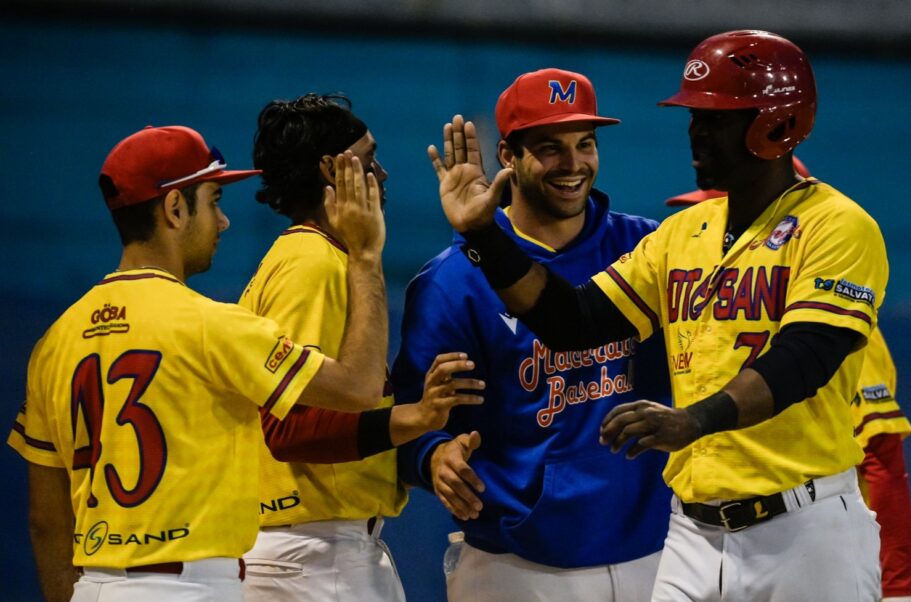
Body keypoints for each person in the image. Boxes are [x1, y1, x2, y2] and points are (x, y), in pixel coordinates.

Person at [429, 30, 887, 601]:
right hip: (692, 534)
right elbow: (574, 322)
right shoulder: (682, 233)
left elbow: (806, 356)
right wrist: (483, 237)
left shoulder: (837, 225)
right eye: (694, 117)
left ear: (776, 123)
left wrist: (693, 420)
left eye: (715, 120)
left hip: (804, 530)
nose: (695, 134)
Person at [7, 124, 390, 602]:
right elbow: (358, 388)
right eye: (213, 200)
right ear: (174, 209)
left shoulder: (54, 341)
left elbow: (45, 521)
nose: (223, 221)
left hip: (95, 587)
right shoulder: (212, 325)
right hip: (191, 588)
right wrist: (366, 254)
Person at [393, 68, 672, 602]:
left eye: (585, 144)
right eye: (549, 147)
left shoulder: (649, 247)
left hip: (656, 552)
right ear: (507, 156)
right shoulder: (453, 281)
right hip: (518, 567)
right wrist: (431, 457)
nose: (573, 165)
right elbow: (404, 421)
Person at [239, 93, 484, 602]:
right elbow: (291, 430)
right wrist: (417, 418)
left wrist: (431, 454)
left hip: (319, 551)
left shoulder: (309, 258)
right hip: (311, 556)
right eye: (370, 159)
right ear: (333, 170)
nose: (385, 175)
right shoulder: (312, 264)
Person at [667, 160, 911, 602]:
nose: (721, 233)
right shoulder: (698, 312)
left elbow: (881, 456)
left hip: (806, 531)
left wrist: (899, 591)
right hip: (708, 539)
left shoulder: (838, 323)